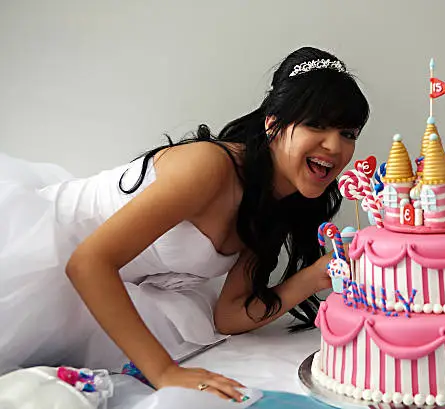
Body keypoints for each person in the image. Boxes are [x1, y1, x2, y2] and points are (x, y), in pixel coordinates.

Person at [0, 46, 369, 401]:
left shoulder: (273, 204)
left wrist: (316, 276)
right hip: (43, 255)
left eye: (348, 134)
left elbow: (230, 315)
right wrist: (165, 373)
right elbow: (87, 262)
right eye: (316, 125)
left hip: (107, 290)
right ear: (273, 123)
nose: (335, 147)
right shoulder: (209, 167)